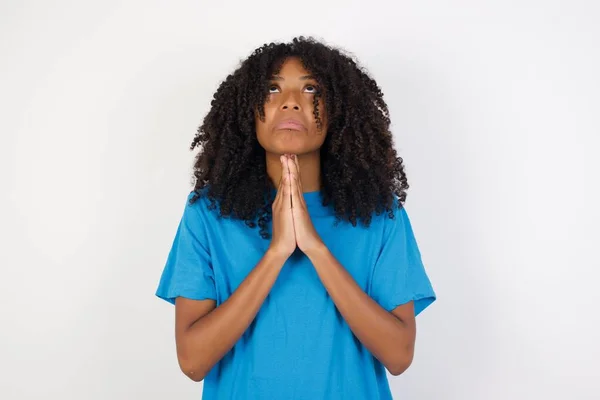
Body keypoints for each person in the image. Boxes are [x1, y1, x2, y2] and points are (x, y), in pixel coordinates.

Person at [155, 36, 436, 399]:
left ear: (338, 110)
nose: (290, 101)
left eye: (311, 88)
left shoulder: (380, 216)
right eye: (272, 88)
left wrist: (316, 248)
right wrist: (277, 252)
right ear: (247, 112)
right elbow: (192, 360)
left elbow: (399, 355)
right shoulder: (208, 215)